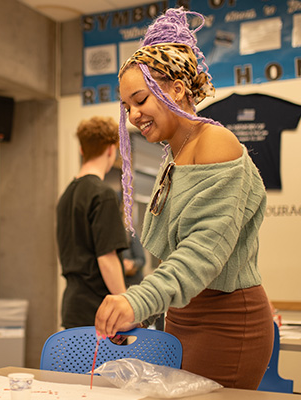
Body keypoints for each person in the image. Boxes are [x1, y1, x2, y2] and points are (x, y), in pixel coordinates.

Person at [94, 7, 273, 389]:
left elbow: (202, 253)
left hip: (227, 322)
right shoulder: (173, 158)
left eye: (140, 99)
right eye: (127, 106)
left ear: (176, 88)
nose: (133, 115)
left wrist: (137, 300)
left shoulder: (216, 143)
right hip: (182, 316)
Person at [56, 116, 128, 329]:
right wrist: (126, 304)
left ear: (82, 150)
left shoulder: (66, 195)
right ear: (110, 150)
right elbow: (107, 259)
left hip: (73, 308)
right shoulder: (103, 194)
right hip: (100, 312)